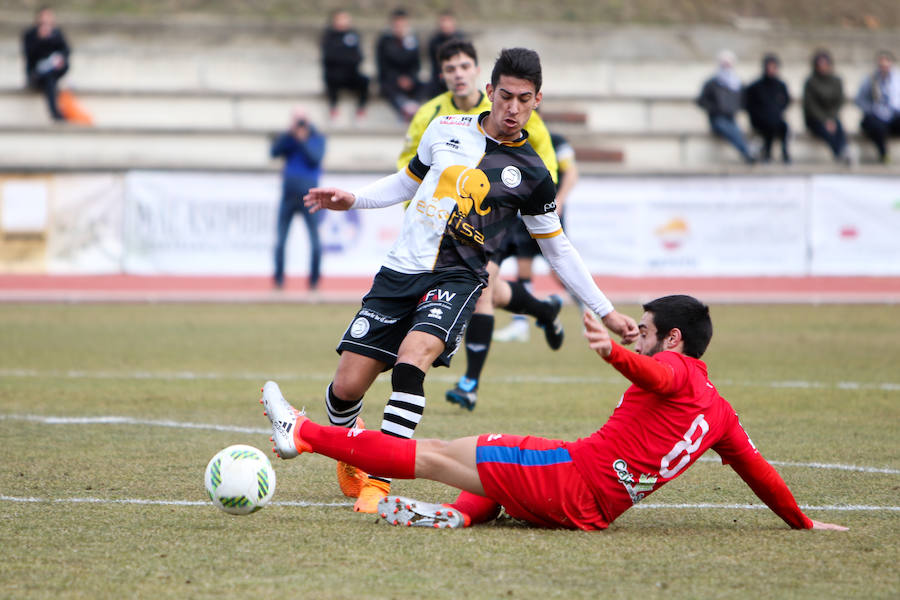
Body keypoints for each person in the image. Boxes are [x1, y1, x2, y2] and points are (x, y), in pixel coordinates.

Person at [299, 48, 638, 513]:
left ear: (538, 100)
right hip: (402, 268)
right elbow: (407, 181)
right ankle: (350, 449)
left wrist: (605, 310)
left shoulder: (535, 173)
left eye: (524, 99)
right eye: (505, 96)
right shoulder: (443, 128)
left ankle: (379, 479)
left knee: (413, 357)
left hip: (460, 276)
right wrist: (353, 199)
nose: (513, 108)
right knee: (347, 386)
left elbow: (557, 247)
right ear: (489, 92)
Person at [260, 294, 848, 533]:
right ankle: (463, 518)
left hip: (571, 479)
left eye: (643, 332)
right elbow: (758, 471)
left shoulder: (676, 370)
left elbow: (656, 373)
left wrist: (613, 352)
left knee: (437, 454)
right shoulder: (719, 412)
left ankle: (304, 434)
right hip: (589, 505)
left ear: (672, 339)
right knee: (497, 460)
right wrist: (802, 522)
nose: (636, 337)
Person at [394, 38, 564, 410]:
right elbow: (410, 168)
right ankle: (543, 310)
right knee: (496, 291)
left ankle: (470, 382)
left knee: (483, 287)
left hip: (500, 218)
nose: (458, 75)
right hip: (440, 225)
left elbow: (545, 174)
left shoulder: (518, 114)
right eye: (450, 69)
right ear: (442, 75)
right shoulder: (432, 117)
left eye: (464, 67)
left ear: (477, 72)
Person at [494, 130, 579, 344]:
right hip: (522, 215)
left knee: (559, 270)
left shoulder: (555, 140)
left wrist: (559, 200)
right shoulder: (510, 138)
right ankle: (520, 325)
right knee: (523, 266)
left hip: (548, 212)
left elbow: (571, 173)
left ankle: (590, 311)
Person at [270, 107, 326, 290]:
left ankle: (314, 282)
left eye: (302, 121)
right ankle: (278, 281)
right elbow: (274, 152)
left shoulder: (317, 138)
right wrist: (289, 134)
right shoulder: (289, 138)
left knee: (315, 240)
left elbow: (315, 158)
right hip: (288, 195)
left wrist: (302, 140)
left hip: (310, 196)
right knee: (280, 240)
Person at [697, 50, 755, 164]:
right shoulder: (712, 83)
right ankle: (747, 151)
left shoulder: (736, 83)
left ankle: (748, 150)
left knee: (736, 130)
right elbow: (701, 101)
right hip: (716, 118)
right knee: (730, 128)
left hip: (731, 117)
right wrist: (715, 109)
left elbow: (743, 101)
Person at [320, 9, 369, 122]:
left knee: (365, 80)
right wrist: (346, 57)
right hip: (334, 73)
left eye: (345, 19)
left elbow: (358, 56)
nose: (343, 22)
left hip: (351, 73)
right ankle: (333, 109)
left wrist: (344, 57)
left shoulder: (353, 35)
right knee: (331, 79)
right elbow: (329, 57)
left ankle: (360, 110)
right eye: (340, 19)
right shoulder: (329, 35)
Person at [22, 6, 69, 122]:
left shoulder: (57, 33)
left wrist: (51, 39)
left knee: (51, 77)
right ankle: (55, 113)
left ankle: (56, 112)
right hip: (36, 74)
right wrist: (41, 39)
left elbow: (65, 51)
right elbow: (30, 56)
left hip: (53, 72)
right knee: (49, 79)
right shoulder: (30, 35)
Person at [376, 8, 424, 121]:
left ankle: (413, 107)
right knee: (387, 88)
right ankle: (403, 108)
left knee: (424, 86)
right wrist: (398, 79)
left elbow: (416, 64)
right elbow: (383, 65)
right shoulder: (384, 41)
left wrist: (410, 78)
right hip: (391, 80)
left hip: (410, 79)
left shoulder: (412, 40)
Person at [803, 49, 849, 162]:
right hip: (815, 118)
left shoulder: (836, 81)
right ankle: (839, 153)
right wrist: (825, 120)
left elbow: (839, 102)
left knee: (839, 129)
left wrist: (831, 118)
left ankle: (843, 151)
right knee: (826, 131)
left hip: (832, 117)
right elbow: (810, 105)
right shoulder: (810, 82)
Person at [855, 50, 900, 163]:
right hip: (875, 116)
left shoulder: (896, 80)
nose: (884, 68)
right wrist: (872, 109)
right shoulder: (870, 79)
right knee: (875, 126)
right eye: (881, 65)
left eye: (886, 65)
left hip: (893, 116)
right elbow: (859, 100)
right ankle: (884, 154)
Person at [745, 53, 791, 163]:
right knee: (769, 126)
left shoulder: (780, 85)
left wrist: (778, 110)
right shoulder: (755, 86)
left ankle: (785, 153)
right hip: (760, 119)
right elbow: (749, 104)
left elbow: (786, 101)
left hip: (775, 117)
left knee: (783, 126)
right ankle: (767, 154)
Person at [425, 10, 465, 97]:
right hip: (439, 80)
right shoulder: (434, 41)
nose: (445, 24)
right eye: (443, 21)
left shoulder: (461, 40)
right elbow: (433, 65)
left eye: (448, 21)